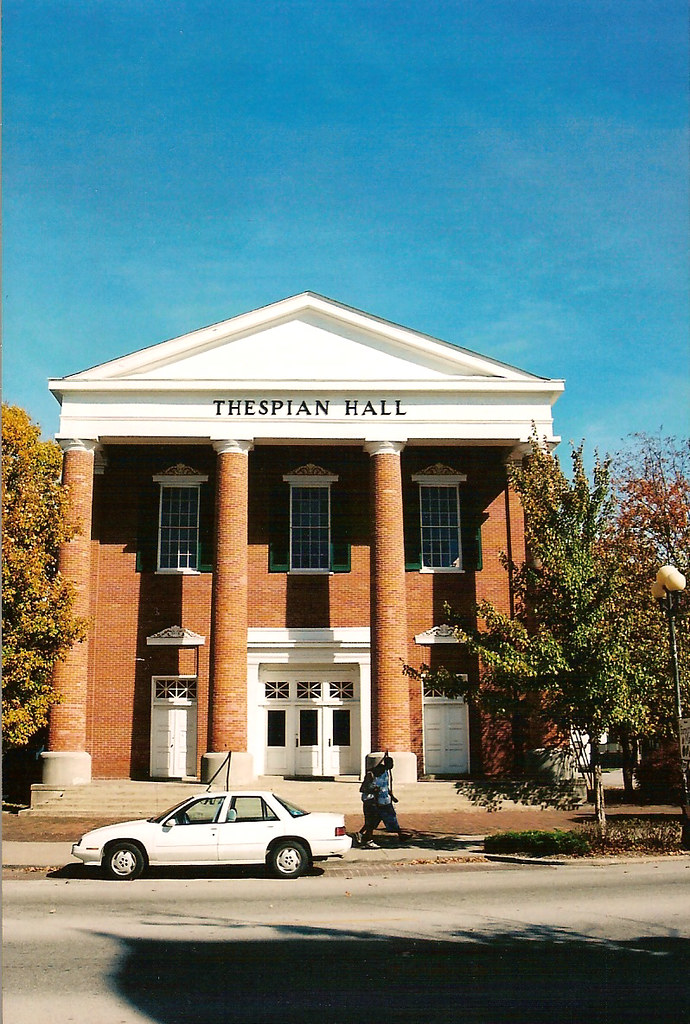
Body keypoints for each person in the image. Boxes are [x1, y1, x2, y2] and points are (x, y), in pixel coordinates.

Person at [355, 754, 406, 848]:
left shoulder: (386, 772)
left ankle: (400, 835)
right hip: (372, 802)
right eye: (389, 764)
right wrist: (373, 789)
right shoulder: (371, 774)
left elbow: (385, 787)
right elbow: (362, 789)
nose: (391, 766)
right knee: (371, 822)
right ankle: (367, 839)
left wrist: (392, 797)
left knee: (391, 817)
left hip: (384, 801)